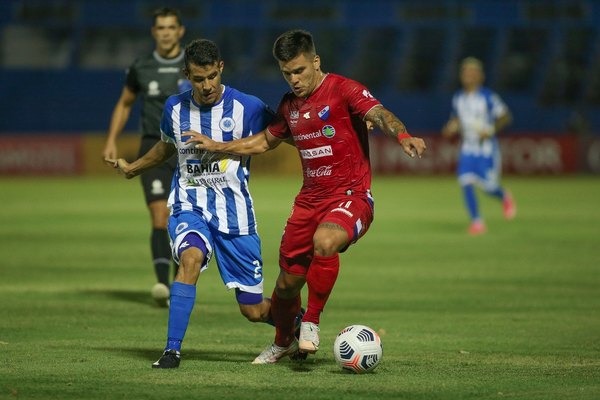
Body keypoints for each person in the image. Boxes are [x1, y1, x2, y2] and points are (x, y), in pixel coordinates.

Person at [187, 29, 426, 364]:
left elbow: (379, 114)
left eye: (299, 71)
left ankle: (311, 321)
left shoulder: (344, 90)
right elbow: (264, 142)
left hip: (350, 195)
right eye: (287, 73)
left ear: (316, 61)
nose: (294, 79)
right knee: (285, 286)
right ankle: (283, 341)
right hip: (308, 202)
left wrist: (402, 135)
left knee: (325, 241)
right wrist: (218, 147)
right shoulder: (289, 106)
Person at [105, 38, 285, 368]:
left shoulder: (249, 107)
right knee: (190, 258)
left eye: (211, 77)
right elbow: (166, 147)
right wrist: (133, 168)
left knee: (253, 309)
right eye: (198, 79)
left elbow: (281, 132)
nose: (205, 86)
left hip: (235, 216)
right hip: (190, 204)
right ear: (188, 74)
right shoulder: (174, 108)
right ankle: (172, 350)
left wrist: (224, 146)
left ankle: (298, 325)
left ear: (221, 69)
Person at [102, 7, 190, 306]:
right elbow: (125, 103)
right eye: (160, 28)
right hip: (153, 147)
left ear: (180, 31)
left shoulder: (193, 65)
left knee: (184, 218)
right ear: (154, 32)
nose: (165, 32)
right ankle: (162, 286)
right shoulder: (141, 66)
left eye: (170, 27)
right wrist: (112, 139)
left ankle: (182, 287)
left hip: (187, 151)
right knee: (159, 215)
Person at [442, 57, 516, 235]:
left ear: (480, 76)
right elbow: (456, 120)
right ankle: (477, 222)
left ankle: (503, 195)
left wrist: (490, 129)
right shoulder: (458, 98)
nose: (468, 75)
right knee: (465, 181)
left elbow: (506, 116)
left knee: (488, 187)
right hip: (468, 148)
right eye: (465, 71)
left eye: (472, 72)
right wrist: (451, 127)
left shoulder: (488, 97)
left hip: (486, 149)